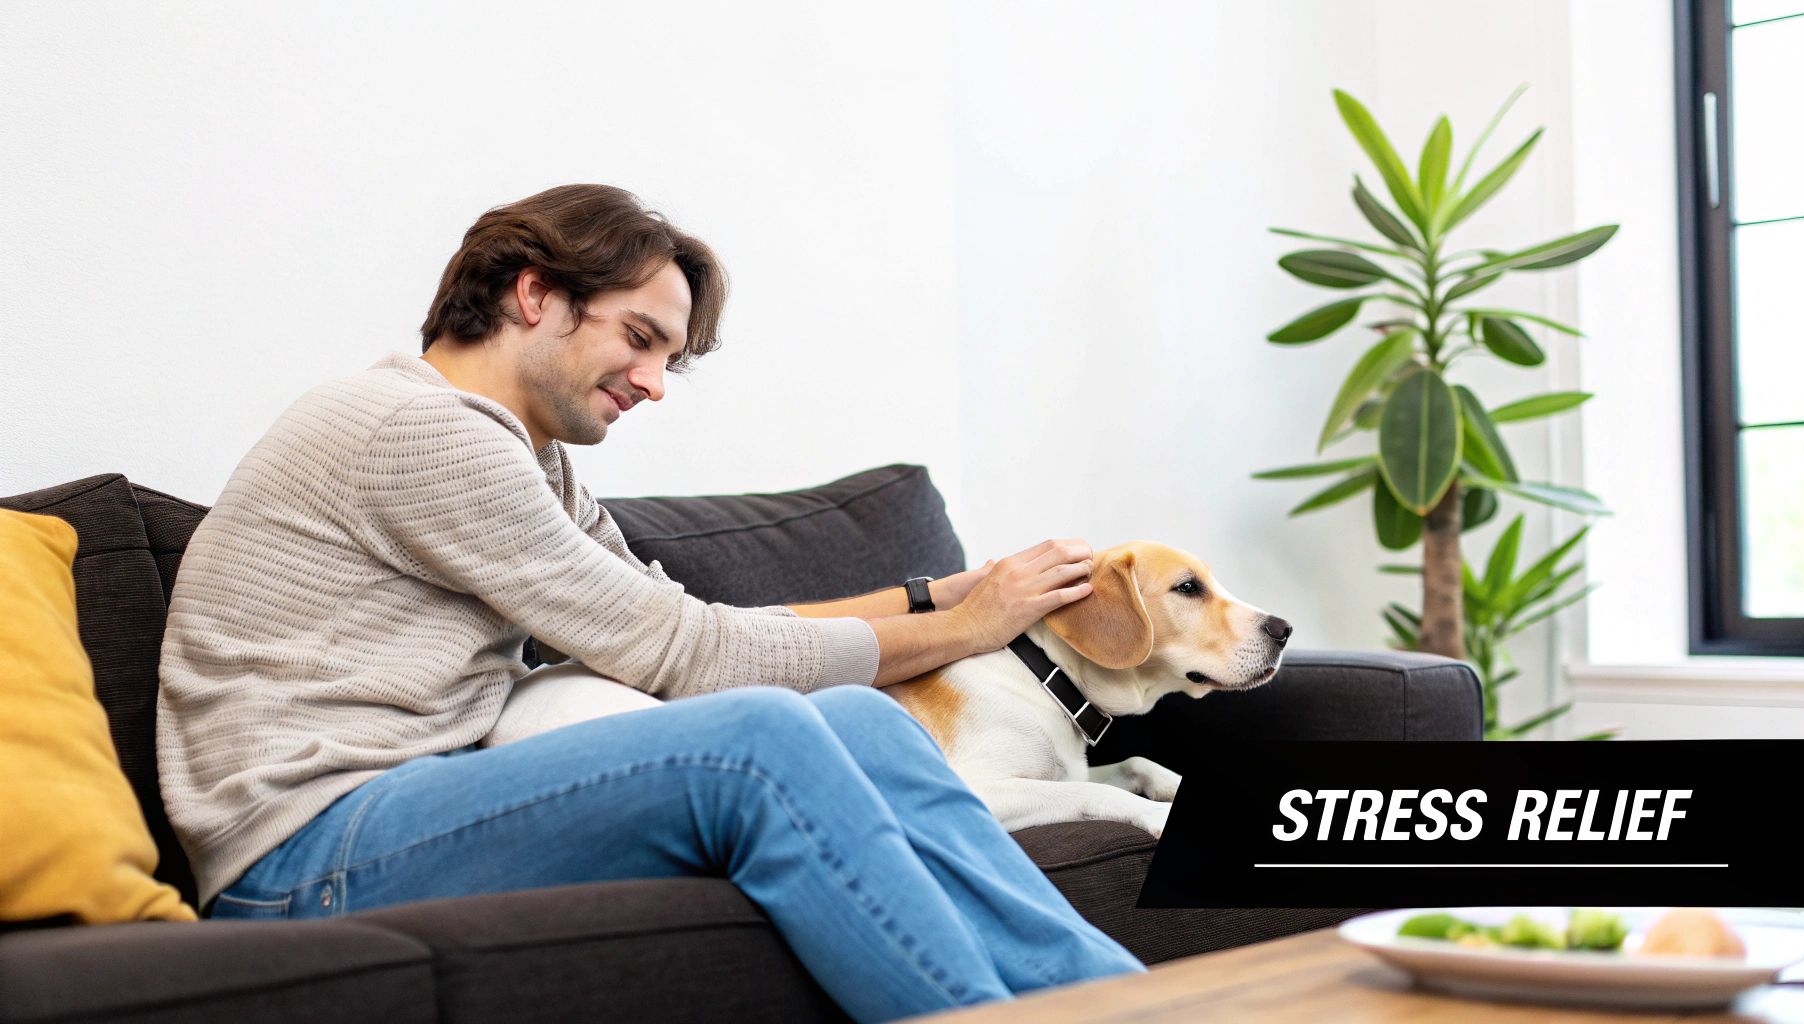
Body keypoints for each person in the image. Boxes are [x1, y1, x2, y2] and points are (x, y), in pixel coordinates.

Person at [156, 184, 1144, 1021]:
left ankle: (1124, 1003)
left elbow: (689, 626)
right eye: (640, 338)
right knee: (756, 741)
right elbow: (695, 659)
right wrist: (966, 629)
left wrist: (929, 596)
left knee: (861, 723)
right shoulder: (419, 431)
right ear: (535, 294)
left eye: (669, 357)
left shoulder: (530, 460)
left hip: (405, 811)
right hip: (306, 856)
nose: (655, 383)